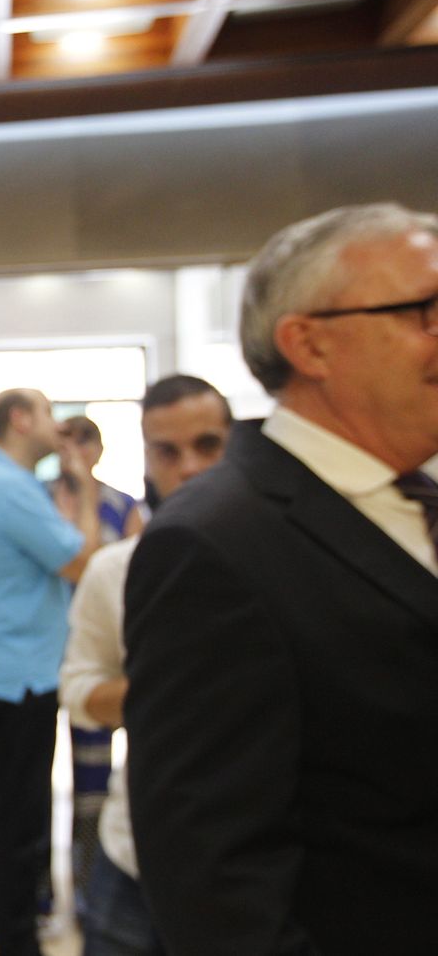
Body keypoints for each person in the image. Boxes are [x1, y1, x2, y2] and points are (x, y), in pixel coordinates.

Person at [125, 203, 438, 956]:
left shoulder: (414, 499)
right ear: (309, 344)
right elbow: (214, 880)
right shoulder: (213, 543)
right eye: (422, 311)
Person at [59, 375, 232, 956]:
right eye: (168, 451)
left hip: (254, 859)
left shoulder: (291, 561)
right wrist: (166, 697)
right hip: (137, 850)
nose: (188, 468)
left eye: (207, 446)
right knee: (86, 787)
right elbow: (81, 685)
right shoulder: (116, 566)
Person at [0, 388, 101, 956]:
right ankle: (15, 936)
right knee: (21, 813)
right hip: (17, 672)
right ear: (20, 419)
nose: (58, 428)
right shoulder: (9, 488)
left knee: (3, 800)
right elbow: (84, 561)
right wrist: (83, 486)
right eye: (49, 414)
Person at [48, 414, 142, 923]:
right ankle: (39, 891)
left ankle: (88, 890)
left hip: (99, 659)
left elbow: (121, 573)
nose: (77, 453)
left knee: (92, 783)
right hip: (41, 654)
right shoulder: (37, 498)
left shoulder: (124, 506)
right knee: (33, 782)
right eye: (69, 442)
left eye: (88, 443)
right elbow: (67, 559)